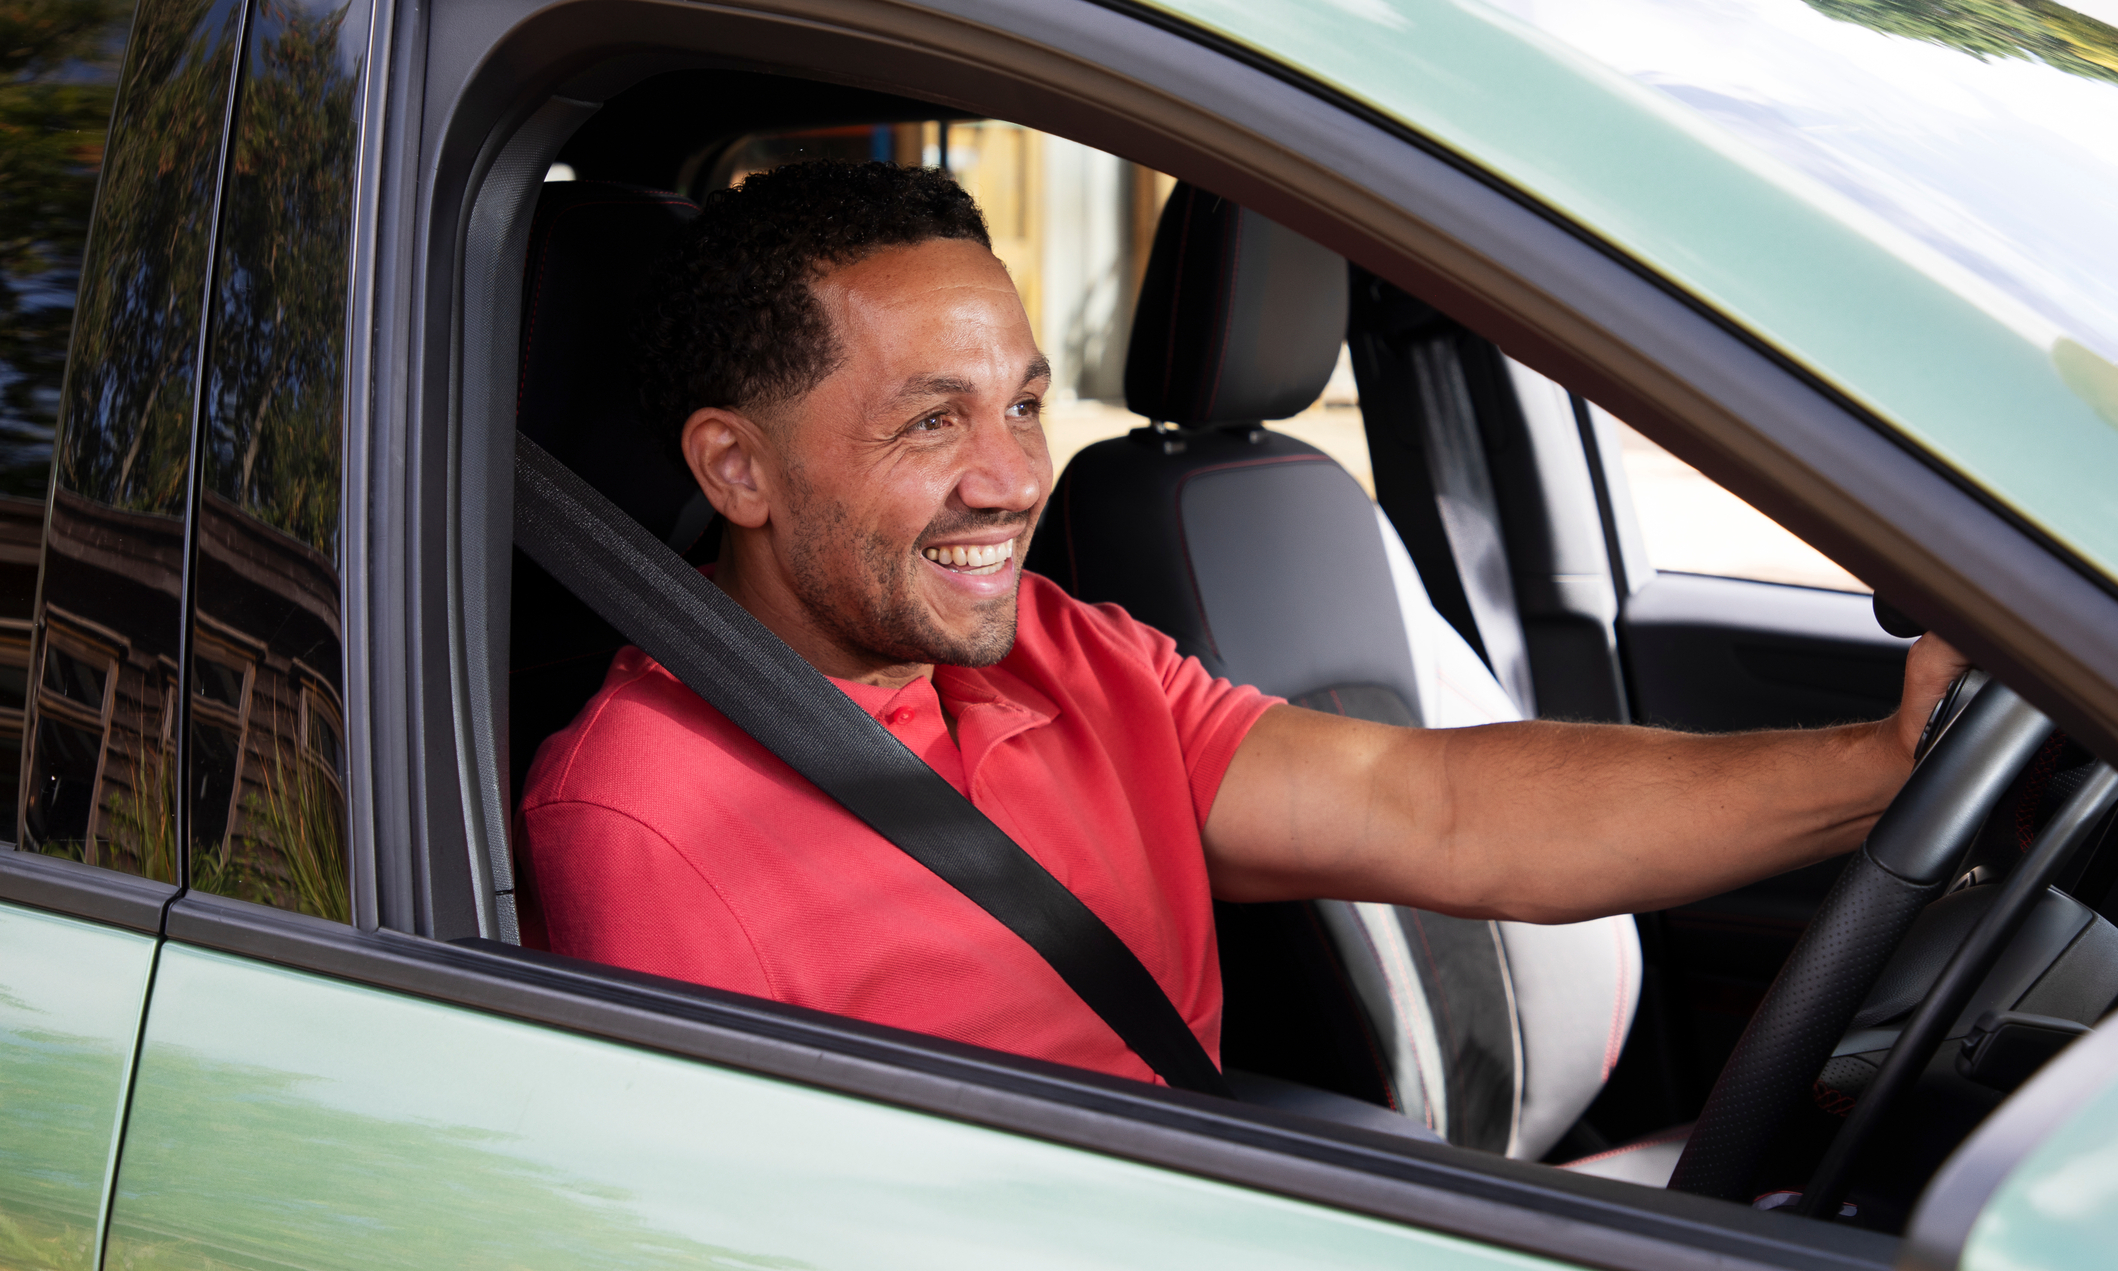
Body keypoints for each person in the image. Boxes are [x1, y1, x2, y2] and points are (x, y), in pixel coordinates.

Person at [521, 160, 1967, 1085]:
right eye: (930, 422)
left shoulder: (1062, 649)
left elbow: (1438, 807)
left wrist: (1887, 769)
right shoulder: (641, 822)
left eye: (1023, 402)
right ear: (736, 469)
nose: (1014, 476)